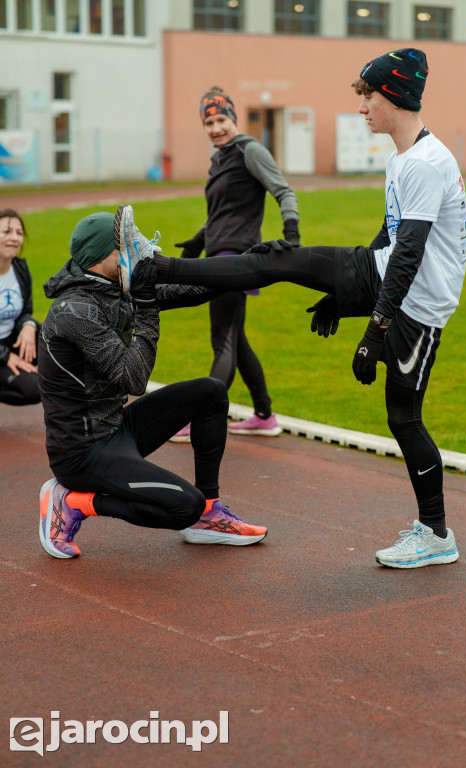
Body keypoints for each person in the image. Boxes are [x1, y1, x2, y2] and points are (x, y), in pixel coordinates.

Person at [152, 48, 466, 569]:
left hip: (417, 308)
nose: (362, 107)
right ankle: (155, 270)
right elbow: (389, 240)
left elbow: (409, 258)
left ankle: (435, 534)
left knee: (403, 419)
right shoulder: (403, 158)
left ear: (392, 95)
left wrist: (373, 330)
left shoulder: (427, 164)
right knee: (279, 260)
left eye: (367, 96)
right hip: (385, 275)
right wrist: (341, 296)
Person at [37, 205, 267, 560]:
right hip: (82, 453)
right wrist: (146, 305)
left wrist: (256, 263)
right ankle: (73, 501)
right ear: (103, 257)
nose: (137, 247)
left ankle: (208, 514)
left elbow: (197, 290)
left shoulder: (115, 284)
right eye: (125, 244)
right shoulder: (74, 311)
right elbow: (134, 378)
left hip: (117, 430)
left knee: (210, 392)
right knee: (181, 507)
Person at [171, 86, 300, 442]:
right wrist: (199, 241)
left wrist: (292, 234)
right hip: (220, 254)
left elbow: (284, 191)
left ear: (234, 119)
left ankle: (200, 419)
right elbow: (223, 212)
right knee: (235, 339)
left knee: (222, 341)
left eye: (222, 119)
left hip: (236, 258)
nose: (216, 127)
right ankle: (264, 414)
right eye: (209, 122)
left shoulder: (249, 150)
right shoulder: (221, 158)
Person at [0, 208, 40, 407]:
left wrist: (29, 325)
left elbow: (25, 312)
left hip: (9, 340)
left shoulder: (20, 268)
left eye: (18, 233)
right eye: (6, 232)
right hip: (2, 351)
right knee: (32, 390)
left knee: (55, 334)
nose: (14, 238)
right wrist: (5, 356)